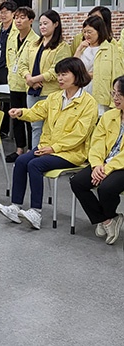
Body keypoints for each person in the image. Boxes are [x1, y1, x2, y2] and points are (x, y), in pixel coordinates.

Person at [0, 58, 98, 230]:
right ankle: (15, 206)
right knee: (21, 161)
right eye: (58, 74)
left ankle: (36, 212)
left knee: (35, 165)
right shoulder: (55, 97)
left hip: (71, 153)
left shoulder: (88, 103)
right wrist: (21, 112)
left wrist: (53, 148)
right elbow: (37, 112)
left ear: (77, 75)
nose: (59, 78)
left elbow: (79, 135)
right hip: (47, 147)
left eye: (64, 74)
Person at [70, 76, 124, 245]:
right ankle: (108, 220)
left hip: (120, 166)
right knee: (77, 182)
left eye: (119, 94)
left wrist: (107, 169)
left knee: (106, 188)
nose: (114, 98)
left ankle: (106, 218)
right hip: (102, 163)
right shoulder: (109, 116)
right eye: (113, 93)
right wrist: (97, 165)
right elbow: (97, 143)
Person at [18, 9, 70, 149]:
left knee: (50, 128)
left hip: (50, 93)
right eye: (40, 24)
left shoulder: (61, 47)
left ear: (56, 24)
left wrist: (35, 79)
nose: (42, 27)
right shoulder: (34, 44)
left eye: (46, 23)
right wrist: (29, 78)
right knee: (35, 127)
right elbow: (22, 63)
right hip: (32, 92)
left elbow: (56, 70)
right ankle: (34, 155)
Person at [5, 6, 38, 163]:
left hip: (28, 85)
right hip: (14, 83)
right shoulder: (12, 39)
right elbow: (9, 60)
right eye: (16, 17)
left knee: (29, 118)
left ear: (31, 21)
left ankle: (31, 149)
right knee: (16, 118)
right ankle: (19, 149)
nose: (18, 20)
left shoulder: (35, 40)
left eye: (22, 17)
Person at [74, 16, 123, 116]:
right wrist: (79, 49)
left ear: (99, 31)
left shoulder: (110, 49)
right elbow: (73, 67)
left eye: (89, 32)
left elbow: (116, 73)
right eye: (84, 32)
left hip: (100, 94)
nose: (86, 35)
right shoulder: (83, 48)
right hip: (82, 90)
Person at [0, 1, 18, 80]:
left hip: (8, 67)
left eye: (6, 13)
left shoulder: (17, 28)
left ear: (13, 13)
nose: (3, 15)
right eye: (1, 12)